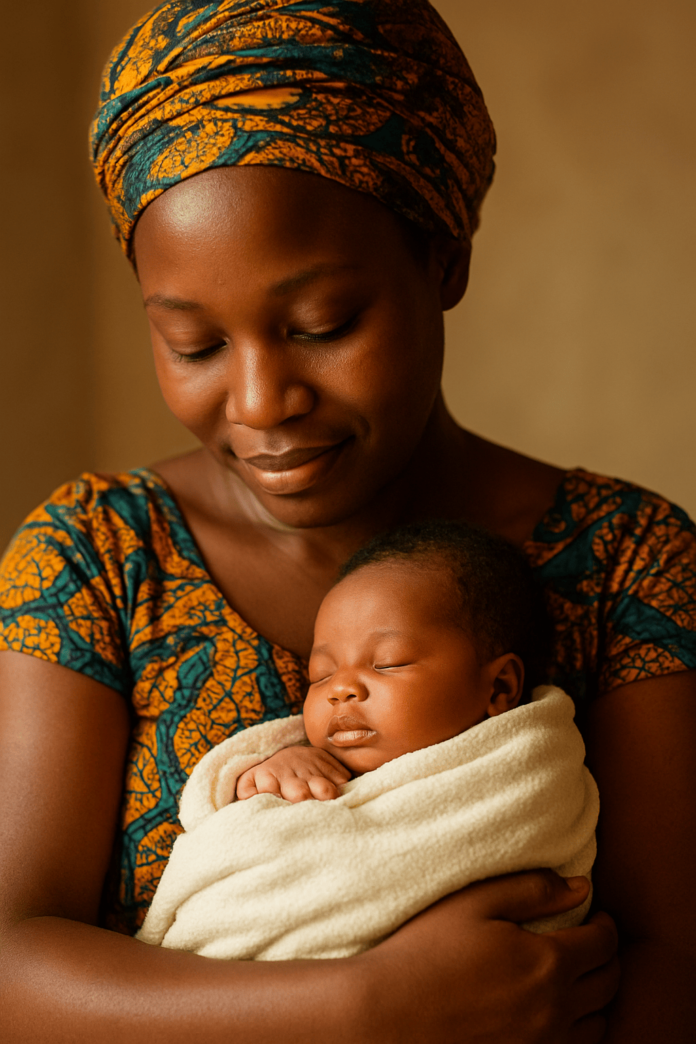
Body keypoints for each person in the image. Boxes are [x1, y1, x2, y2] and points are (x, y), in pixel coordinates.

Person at [0, 1, 694, 1041]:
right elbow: (11, 962)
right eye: (192, 344)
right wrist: (366, 1006)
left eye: (323, 325)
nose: (261, 400)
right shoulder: (96, 557)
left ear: (446, 260)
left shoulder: (629, 561)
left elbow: (676, 965)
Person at [136, 521, 599, 960]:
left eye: (389, 662)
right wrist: (268, 772)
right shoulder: (303, 760)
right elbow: (232, 836)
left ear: (498, 688)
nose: (342, 688)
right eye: (321, 674)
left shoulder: (527, 767)